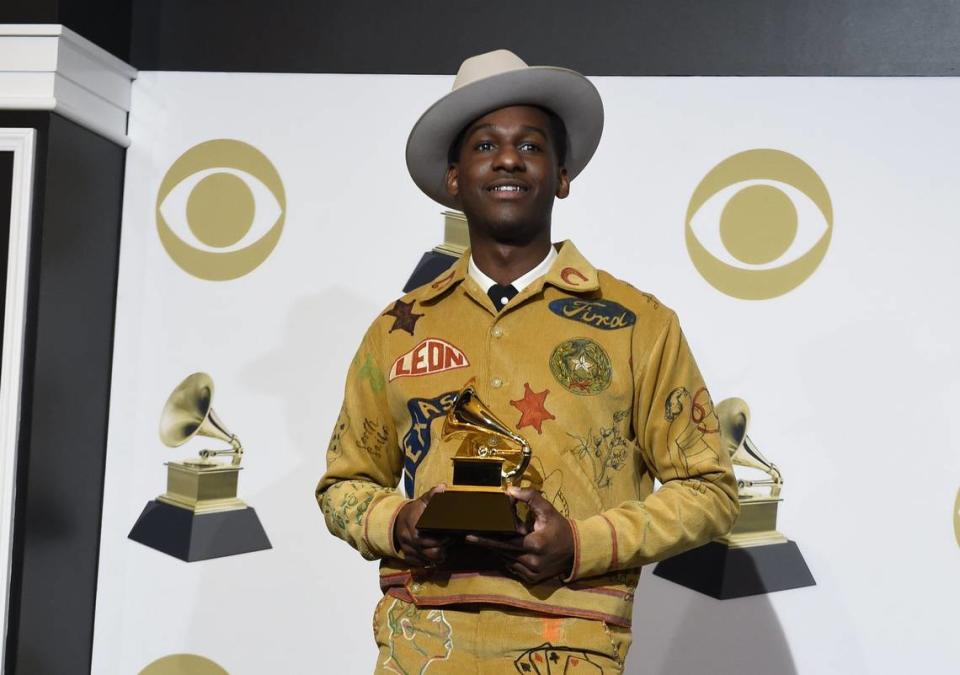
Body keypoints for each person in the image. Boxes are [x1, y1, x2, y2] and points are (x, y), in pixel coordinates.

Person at [317, 49, 739, 673]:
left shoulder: (637, 324)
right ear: (454, 177)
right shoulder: (395, 331)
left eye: (531, 146)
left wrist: (579, 544)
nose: (508, 158)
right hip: (421, 649)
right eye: (485, 144)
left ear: (562, 175)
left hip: (573, 650)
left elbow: (711, 491)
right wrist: (401, 522)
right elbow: (342, 485)